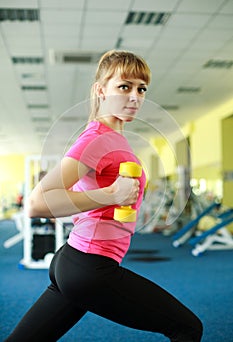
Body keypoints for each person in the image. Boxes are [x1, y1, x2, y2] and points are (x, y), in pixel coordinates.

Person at [5, 50, 203, 342]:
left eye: (141, 88)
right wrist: (110, 193)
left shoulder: (113, 138)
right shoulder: (97, 138)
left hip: (73, 261)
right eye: (124, 86)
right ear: (101, 90)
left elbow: (78, 198)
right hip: (90, 266)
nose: (135, 96)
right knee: (188, 328)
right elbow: (36, 204)